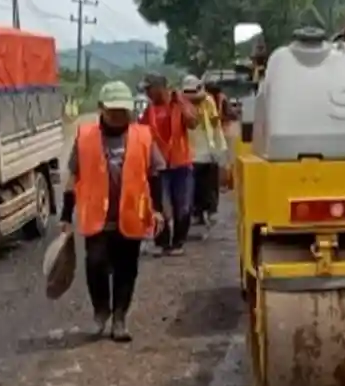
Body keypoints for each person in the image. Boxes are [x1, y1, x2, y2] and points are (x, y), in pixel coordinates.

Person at [60, 80, 166, 342]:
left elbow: (155, 175)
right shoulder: (85, 137)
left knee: (126, 269)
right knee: (95, 265)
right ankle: (101, 311)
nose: (119, 116)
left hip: (131, 216)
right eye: (113, 111)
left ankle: (119, 318)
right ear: (100, 109)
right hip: (97, 218)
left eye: (123, 111)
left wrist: (159, 210)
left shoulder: (143, 136)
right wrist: (65, 215)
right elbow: (73, 177)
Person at [139, 73, 198, 255]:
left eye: (149, 89)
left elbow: (193, 122)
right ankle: (163, 243)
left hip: (181, 164)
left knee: (183, 205)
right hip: (159, 168)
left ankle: (178, 242)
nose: (147, 93)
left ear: (160, 88)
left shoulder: (179, 105)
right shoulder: (149, 111)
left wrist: (180, 102)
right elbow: (140, 134)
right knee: (160, 206)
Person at [181, 75, 227, 227]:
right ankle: (197, 212)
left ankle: (209, 210)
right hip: (190, 151)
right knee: (194, 186)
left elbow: (214, 125)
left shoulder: (208, 101)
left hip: (208, 148)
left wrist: (219, 148)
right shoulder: (181, 104)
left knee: (209, 184)